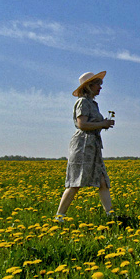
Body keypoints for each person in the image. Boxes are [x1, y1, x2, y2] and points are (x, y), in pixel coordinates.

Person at [55, 71, 116, 223]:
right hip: (82, 145)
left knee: (102, 181)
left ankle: (111, 216)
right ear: (89, 86)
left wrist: (104, 125)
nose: (100, 87)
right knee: (76, 181)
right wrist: (102, 123)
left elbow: (91, 124)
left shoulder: (92, 103)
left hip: (93, 144)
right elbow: (82, 124)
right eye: (98, 84)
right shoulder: (82, 102)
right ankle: (59, 217)